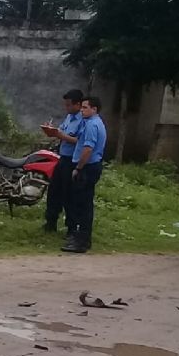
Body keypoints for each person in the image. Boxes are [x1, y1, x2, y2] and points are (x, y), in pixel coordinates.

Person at [61, 96, 107, 254]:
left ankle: (81, 240)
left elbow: (87, 149)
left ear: (94, 109)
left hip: (87, 167)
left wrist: (79, 168)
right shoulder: (95, 123)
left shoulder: (91, 125)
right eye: (82, 107)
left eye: (85, 107)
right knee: (83, 204)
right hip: (91, 166)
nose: (82, 110)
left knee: (82, 205)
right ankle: (82, 239)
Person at [43, 89, 84, 235]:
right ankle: (50, 221)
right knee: (54, 191)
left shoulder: (83, 120)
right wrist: (52, 131)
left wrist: (61, 136)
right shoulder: (69, 117)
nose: (67, 108)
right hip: (62, 158)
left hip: (73, 160)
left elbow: (80, 141)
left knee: (70, 195)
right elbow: (60, 132)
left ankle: (72, 228)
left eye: (69, 105)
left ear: (78, 104)